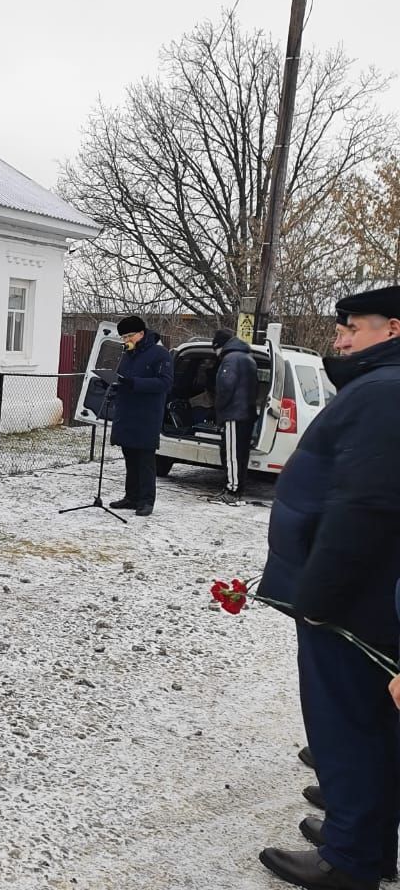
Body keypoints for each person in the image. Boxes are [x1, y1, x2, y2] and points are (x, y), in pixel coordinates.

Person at [257, 285, 400, 890]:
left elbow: (367, 504)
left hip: (349, 604)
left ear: (392, 329)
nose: (339, 337)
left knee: (349, 726)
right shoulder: (380, 387)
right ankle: (359, 828)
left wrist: (319, 597)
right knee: (367, 725)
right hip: (359, 594)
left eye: (354, 327)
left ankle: (352, 857)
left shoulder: (386, 392)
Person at [108, 315, 172, 517]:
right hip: (127, 413)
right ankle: (131, 496)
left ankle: (146, 500)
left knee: (145, 461)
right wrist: (112, 385)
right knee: (130, 458)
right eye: (123, 336)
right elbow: (123, 380)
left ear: (141, 334)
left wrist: (134, 383)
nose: (125, 340)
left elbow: (165, 383)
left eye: (129, 335)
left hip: (147, 415)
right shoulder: (127, 355)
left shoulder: (160, 354)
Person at [211, 328, 258, 505]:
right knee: (240, 454)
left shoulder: (230, 359)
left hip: (234, 414)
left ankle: (232, 490)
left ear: (218, 346)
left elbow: (225, 387)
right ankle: (235, 487)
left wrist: (219, 411)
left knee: (231, 454)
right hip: (246, 413)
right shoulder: (247, 357)